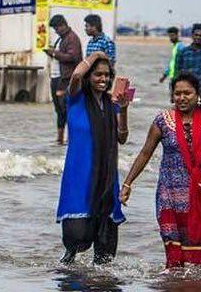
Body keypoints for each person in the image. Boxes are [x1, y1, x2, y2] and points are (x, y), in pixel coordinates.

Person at [120, 72, 201, 268]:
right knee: (172, 247)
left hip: (200, 193)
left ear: (198, 94)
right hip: (168, 193)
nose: (182, 98)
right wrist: (128, 183)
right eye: (177, 93)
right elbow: (145, 153)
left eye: (187, 93)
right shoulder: (162, 121)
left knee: (199, 253)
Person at [56, 51, 131, 264]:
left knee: (105, 253)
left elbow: (122, 137)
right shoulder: (76, 98)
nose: (103, 79)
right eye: (98, 74)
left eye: (107, 75)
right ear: (89, 76)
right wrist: (96, 54)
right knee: (77, 239)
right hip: (79, 177)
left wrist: (123, 110)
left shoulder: (111, 103)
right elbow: (76, 76)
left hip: (107, 179)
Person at [44, 15, 82, 145]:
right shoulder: (63, 38)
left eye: (57, 28)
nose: (56, 31)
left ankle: (71, 139)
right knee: (59, 110)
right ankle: (60, 140)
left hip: (65, 79)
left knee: (67, 109)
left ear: (63, 25)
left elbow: (73, 57)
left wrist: (54, 53)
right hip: (57, 78)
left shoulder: (72, 38)